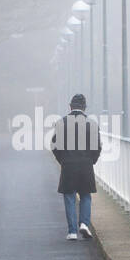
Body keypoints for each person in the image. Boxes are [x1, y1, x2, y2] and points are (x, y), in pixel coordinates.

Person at [51, 94, 102, 240]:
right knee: (85, 195)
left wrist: (63, 160)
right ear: (84, 108)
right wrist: (91, 160)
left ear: (70, 106)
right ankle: (84, 224)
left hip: (68, 165)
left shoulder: (61, 123)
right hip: (86, 165)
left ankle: (72, 231)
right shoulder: (91, 124)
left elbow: (54, 146)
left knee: (69, 197)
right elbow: (97, 147)